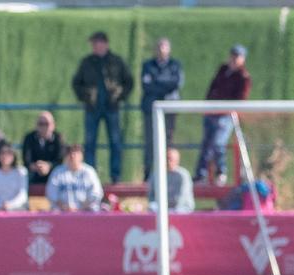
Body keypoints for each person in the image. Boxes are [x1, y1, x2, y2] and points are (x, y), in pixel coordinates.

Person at [71, 31, 133, 184]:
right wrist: (85, 96)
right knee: (90, 143)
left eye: (96, 43)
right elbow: (76, 83)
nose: (94, 46)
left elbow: (129, 82)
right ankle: (91, 175)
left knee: (115, 142)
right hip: (92, 108)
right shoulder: (87, 62)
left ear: (104, 43)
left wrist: (119, 96)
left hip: (111, 107)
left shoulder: (116, 61)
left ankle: (115, 175)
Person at [194, 44, 251, 186]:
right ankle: (201, 175)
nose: (234, 58)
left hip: (225, 115)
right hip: (211, 112)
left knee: (219, 143)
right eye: (233, 55)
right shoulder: (223, 69)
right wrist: (207, 104)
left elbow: (241, 98)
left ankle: (221, 172)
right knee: (206, 144)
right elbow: (213, 87)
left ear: (243, 59)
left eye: (238, 56)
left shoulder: (243, 77)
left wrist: (227, 108)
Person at [140, 37, 184, 180]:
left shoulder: (175, 65)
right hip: (151, 108)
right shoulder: (147, 65)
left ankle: (168, 172)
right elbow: (146, 84)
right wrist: (164, 85)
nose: (161, 50)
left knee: (169, 140)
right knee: (150, 141)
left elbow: (176, 83)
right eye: (159, 47)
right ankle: (148, 173)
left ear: (169, 49)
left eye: (164, 47)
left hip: (170, 108)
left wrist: (157, 83)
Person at [46, 144, 103, 212]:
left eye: (76, 153)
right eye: (69, 154)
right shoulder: (58, 172)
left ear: (82, 156)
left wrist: (81, 208)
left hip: (86, 212)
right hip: (62, 212)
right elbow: (52, 193)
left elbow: (96, 194)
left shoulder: (89, 172)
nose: (72, 156)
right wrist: (65, 207)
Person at [21, 111, 63, 186]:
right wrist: (36, 166)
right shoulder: (29, 138)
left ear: (53, 125)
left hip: (52, 171)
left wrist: (48, 166)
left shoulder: (58, 138)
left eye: (47, 124)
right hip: (34, 171)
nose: (43, 127)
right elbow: (26, 160)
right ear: (36, 125)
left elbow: (60, 160)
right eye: (40, 124)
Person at [147, 147, 194, 213]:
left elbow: (182, 197)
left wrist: (168, 209)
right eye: (167, 159)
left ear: (177, 160)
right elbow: (151, 195)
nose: (168, 161)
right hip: (162, 208)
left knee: (178, 211)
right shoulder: (156, 174)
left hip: (182, 208)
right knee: (152, 208)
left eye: (171, 159)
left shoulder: (183, 175)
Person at [0, 143, 28, 211]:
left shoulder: (21, 171)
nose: (5, 156)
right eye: (2, 153)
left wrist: (10, 205)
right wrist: (0, 205)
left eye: (9, 153)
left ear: (14, 155)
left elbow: (23, 195)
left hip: (19, 209)